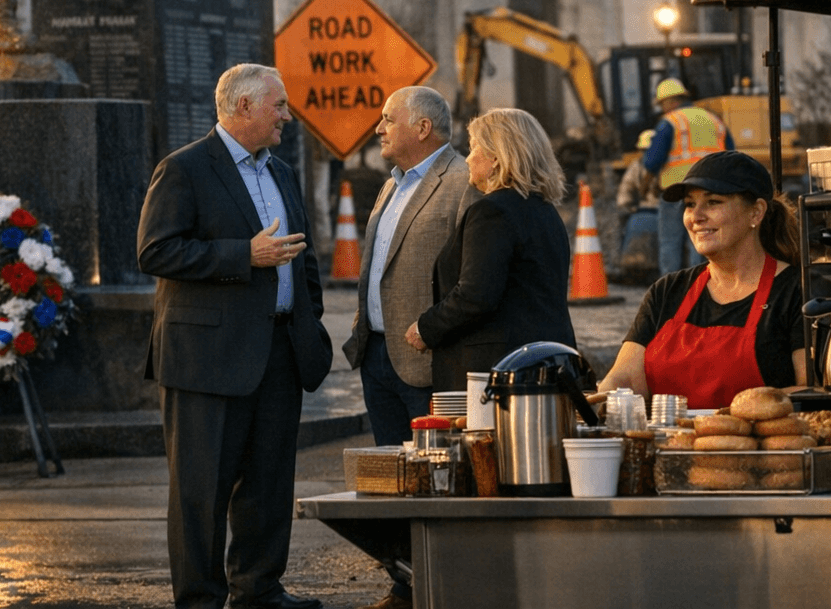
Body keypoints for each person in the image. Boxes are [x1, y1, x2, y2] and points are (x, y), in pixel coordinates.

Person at [137, 64, 332, 609]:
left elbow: (304, 257)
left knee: (269, 484)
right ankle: (200, 599)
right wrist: (241, 256)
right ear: (243, 107)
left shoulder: (283, 173)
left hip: (278, 353)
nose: (288, 117)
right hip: (206, 360)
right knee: (201, 492)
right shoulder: (185, 169)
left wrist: (306, 318)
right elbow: (155, 251)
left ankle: (259, 589)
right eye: (279, 106)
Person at [341, 87, 477, 609]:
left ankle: (445, 587)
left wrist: (437, 331)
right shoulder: (390, 185)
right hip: (377, 353)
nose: (378, 128)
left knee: (436, 480)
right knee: (393, 481)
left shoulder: (461, 182)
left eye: (387, 119)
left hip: (426, 360)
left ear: (423, 128)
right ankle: (405, 584)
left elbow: (471, 277)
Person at [597, 150, 807, 410]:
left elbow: (810, 391)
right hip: (669, 447)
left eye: (713, 202)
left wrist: (732, 419)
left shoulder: (799, 291)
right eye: (689, 204)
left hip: (761, 450)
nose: (696, 217)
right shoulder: (667, 292)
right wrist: (594, 403)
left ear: (756, 213)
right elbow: (625, 378)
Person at [403, 108, 577, 393]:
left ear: (495, 159)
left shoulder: (491, 211)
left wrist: (426, 328)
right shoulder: (546, 211)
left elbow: (476, 295)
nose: (468, 158)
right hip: (548, 362)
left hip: (498, 374)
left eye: (474, 149)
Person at [642, 78, 733, 276]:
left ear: (671, 102)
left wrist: (645, 185)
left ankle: (669, 288)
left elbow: (652, 161)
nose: (663, 109)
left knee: (670, 241)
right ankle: (702, 284)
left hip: (675, 191)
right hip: (710, 193)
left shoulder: (670, 122)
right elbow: (731, 155)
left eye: (662, 104)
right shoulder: (714, 120)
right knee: (703, 240)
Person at [615, 128, 662, 278]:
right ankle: (630, 263)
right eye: (643, 150)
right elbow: (626, 186)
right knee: (627, 225)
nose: (645, 153)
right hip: (644, 209)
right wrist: (626, 204)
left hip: (665, 209)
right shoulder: (637, 167)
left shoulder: (668, 166)